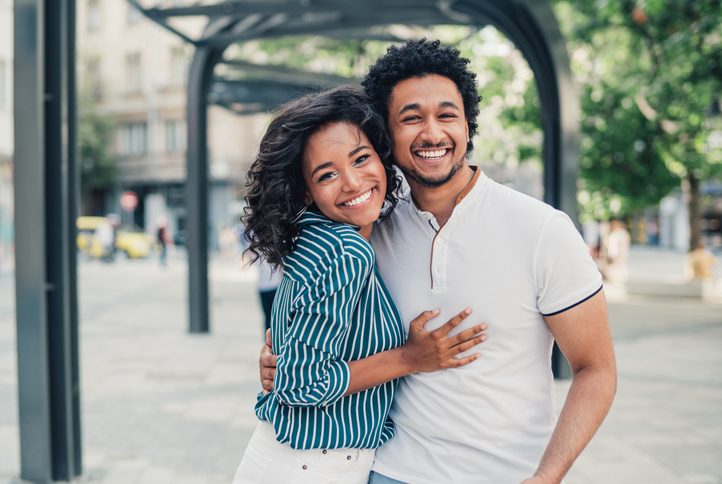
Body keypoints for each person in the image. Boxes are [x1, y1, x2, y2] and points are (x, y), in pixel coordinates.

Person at [261, 40, 617, 484]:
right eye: (412, 118)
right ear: (386, 136)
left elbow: (596, 370)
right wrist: (281, 359)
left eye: (447, 115)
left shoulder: (542, 229)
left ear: (468, 124)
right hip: (385, 471)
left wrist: (549, 475)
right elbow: (316, 328)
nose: (432, 133)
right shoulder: (371, 226)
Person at [235, 86, 488, 484]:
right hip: (312, 466)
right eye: (328, 174)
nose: (352, 182)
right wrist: (411, 358)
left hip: (290, 457)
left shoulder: (314, 235)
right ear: (307, 190)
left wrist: (279, 363)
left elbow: (293, 364)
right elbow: (302, 382)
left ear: (382, 157)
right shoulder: (347, 251)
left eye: (361, 158)